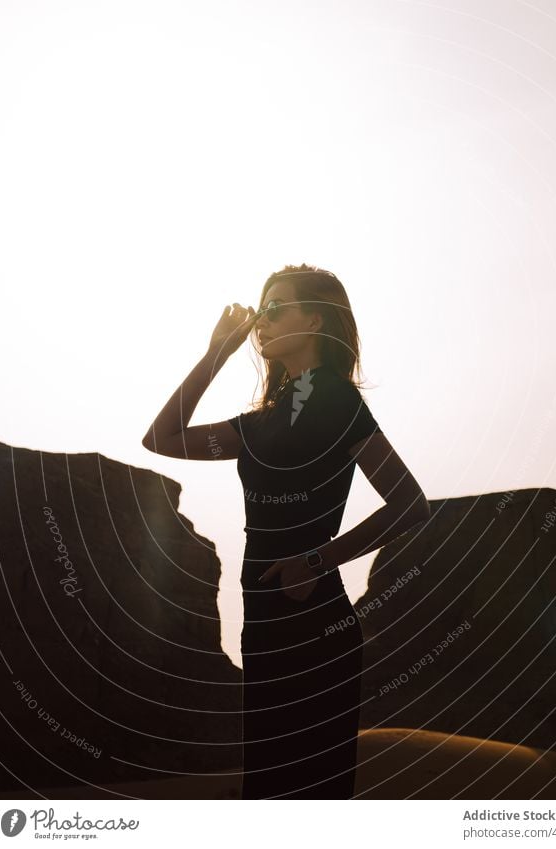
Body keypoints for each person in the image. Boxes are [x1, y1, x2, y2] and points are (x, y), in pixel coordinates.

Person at [142, 263, 430, 799]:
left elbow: (411, 504)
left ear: (317, 322)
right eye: (261, 310)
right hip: (263, 624)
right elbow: (161, 437)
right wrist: (216, 354)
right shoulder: (256, 425)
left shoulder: (340, 403)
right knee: (267, 793)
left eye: (277, 309)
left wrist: (318, 560)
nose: (262, 322)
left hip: (317, 623)